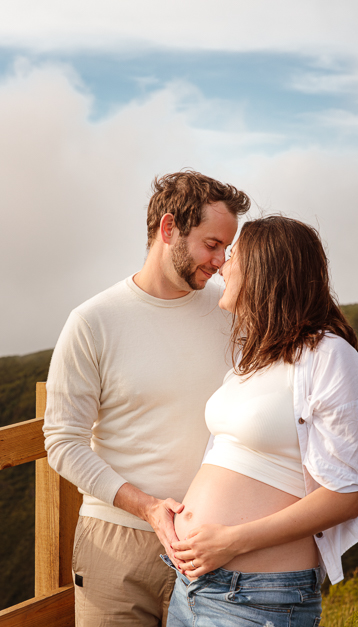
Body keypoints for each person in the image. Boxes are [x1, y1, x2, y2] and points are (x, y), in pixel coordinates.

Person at [43, 170, 250, 627]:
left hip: (210, 545)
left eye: (226, 248)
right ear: (169, 228)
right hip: (116, 543)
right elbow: (62, 441)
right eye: (211, 244)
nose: (220, 260)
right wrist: (148, 507)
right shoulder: (92, 321)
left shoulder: (232, 313)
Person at [162, 216, 358, 627]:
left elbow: (345, 494)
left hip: (256, 597)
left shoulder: (330, 357)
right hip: (192, 585)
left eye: (236, 257)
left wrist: (230, 541)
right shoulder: (254, 360)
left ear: (266, 270)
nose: (223, 266)